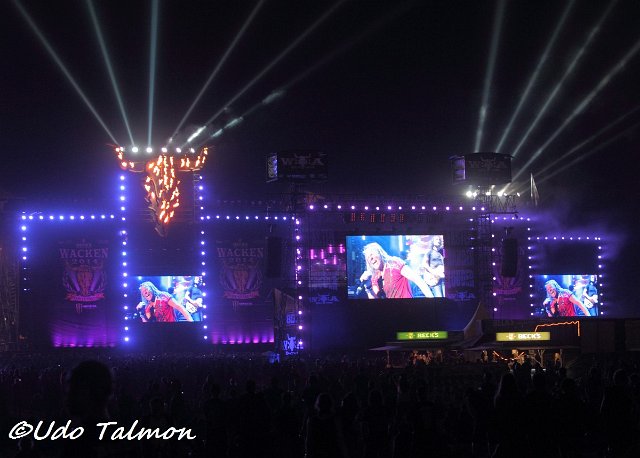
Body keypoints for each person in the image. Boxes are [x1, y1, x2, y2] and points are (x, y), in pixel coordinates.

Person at [359, 242, 433, 299]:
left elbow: (418, 280)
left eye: (372, 254)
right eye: (368, 257)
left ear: (380, 253)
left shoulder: (394, 263)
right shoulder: (374, 277)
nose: (371, 258)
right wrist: (368, 287)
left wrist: (432, 300)